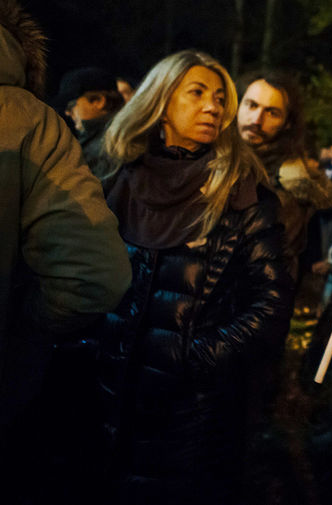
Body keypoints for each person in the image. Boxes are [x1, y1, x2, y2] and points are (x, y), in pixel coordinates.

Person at [97, 50, 295, 504]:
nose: (214, 106)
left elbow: (271, 305)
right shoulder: (117, 177)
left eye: (220, 97)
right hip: (109, 400)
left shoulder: (242, 192)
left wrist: (195, 360)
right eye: (198, 93)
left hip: (189, 418)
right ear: (161, 102)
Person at [0, 0, 131, 500]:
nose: (106, 107)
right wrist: (22, 330)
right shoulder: (30, 123)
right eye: (95, 98)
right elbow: (95, 275)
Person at [237, 70, 332, 279]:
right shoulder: (210, 156)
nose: (257, 119)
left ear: (287, 123)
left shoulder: (289, 183)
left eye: (272, 112)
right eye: (252, 105)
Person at [53, 66, 125, 176]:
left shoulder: (105, 149)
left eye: (72, 105)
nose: (67, 112)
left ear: (98, 101)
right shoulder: (113, 137)